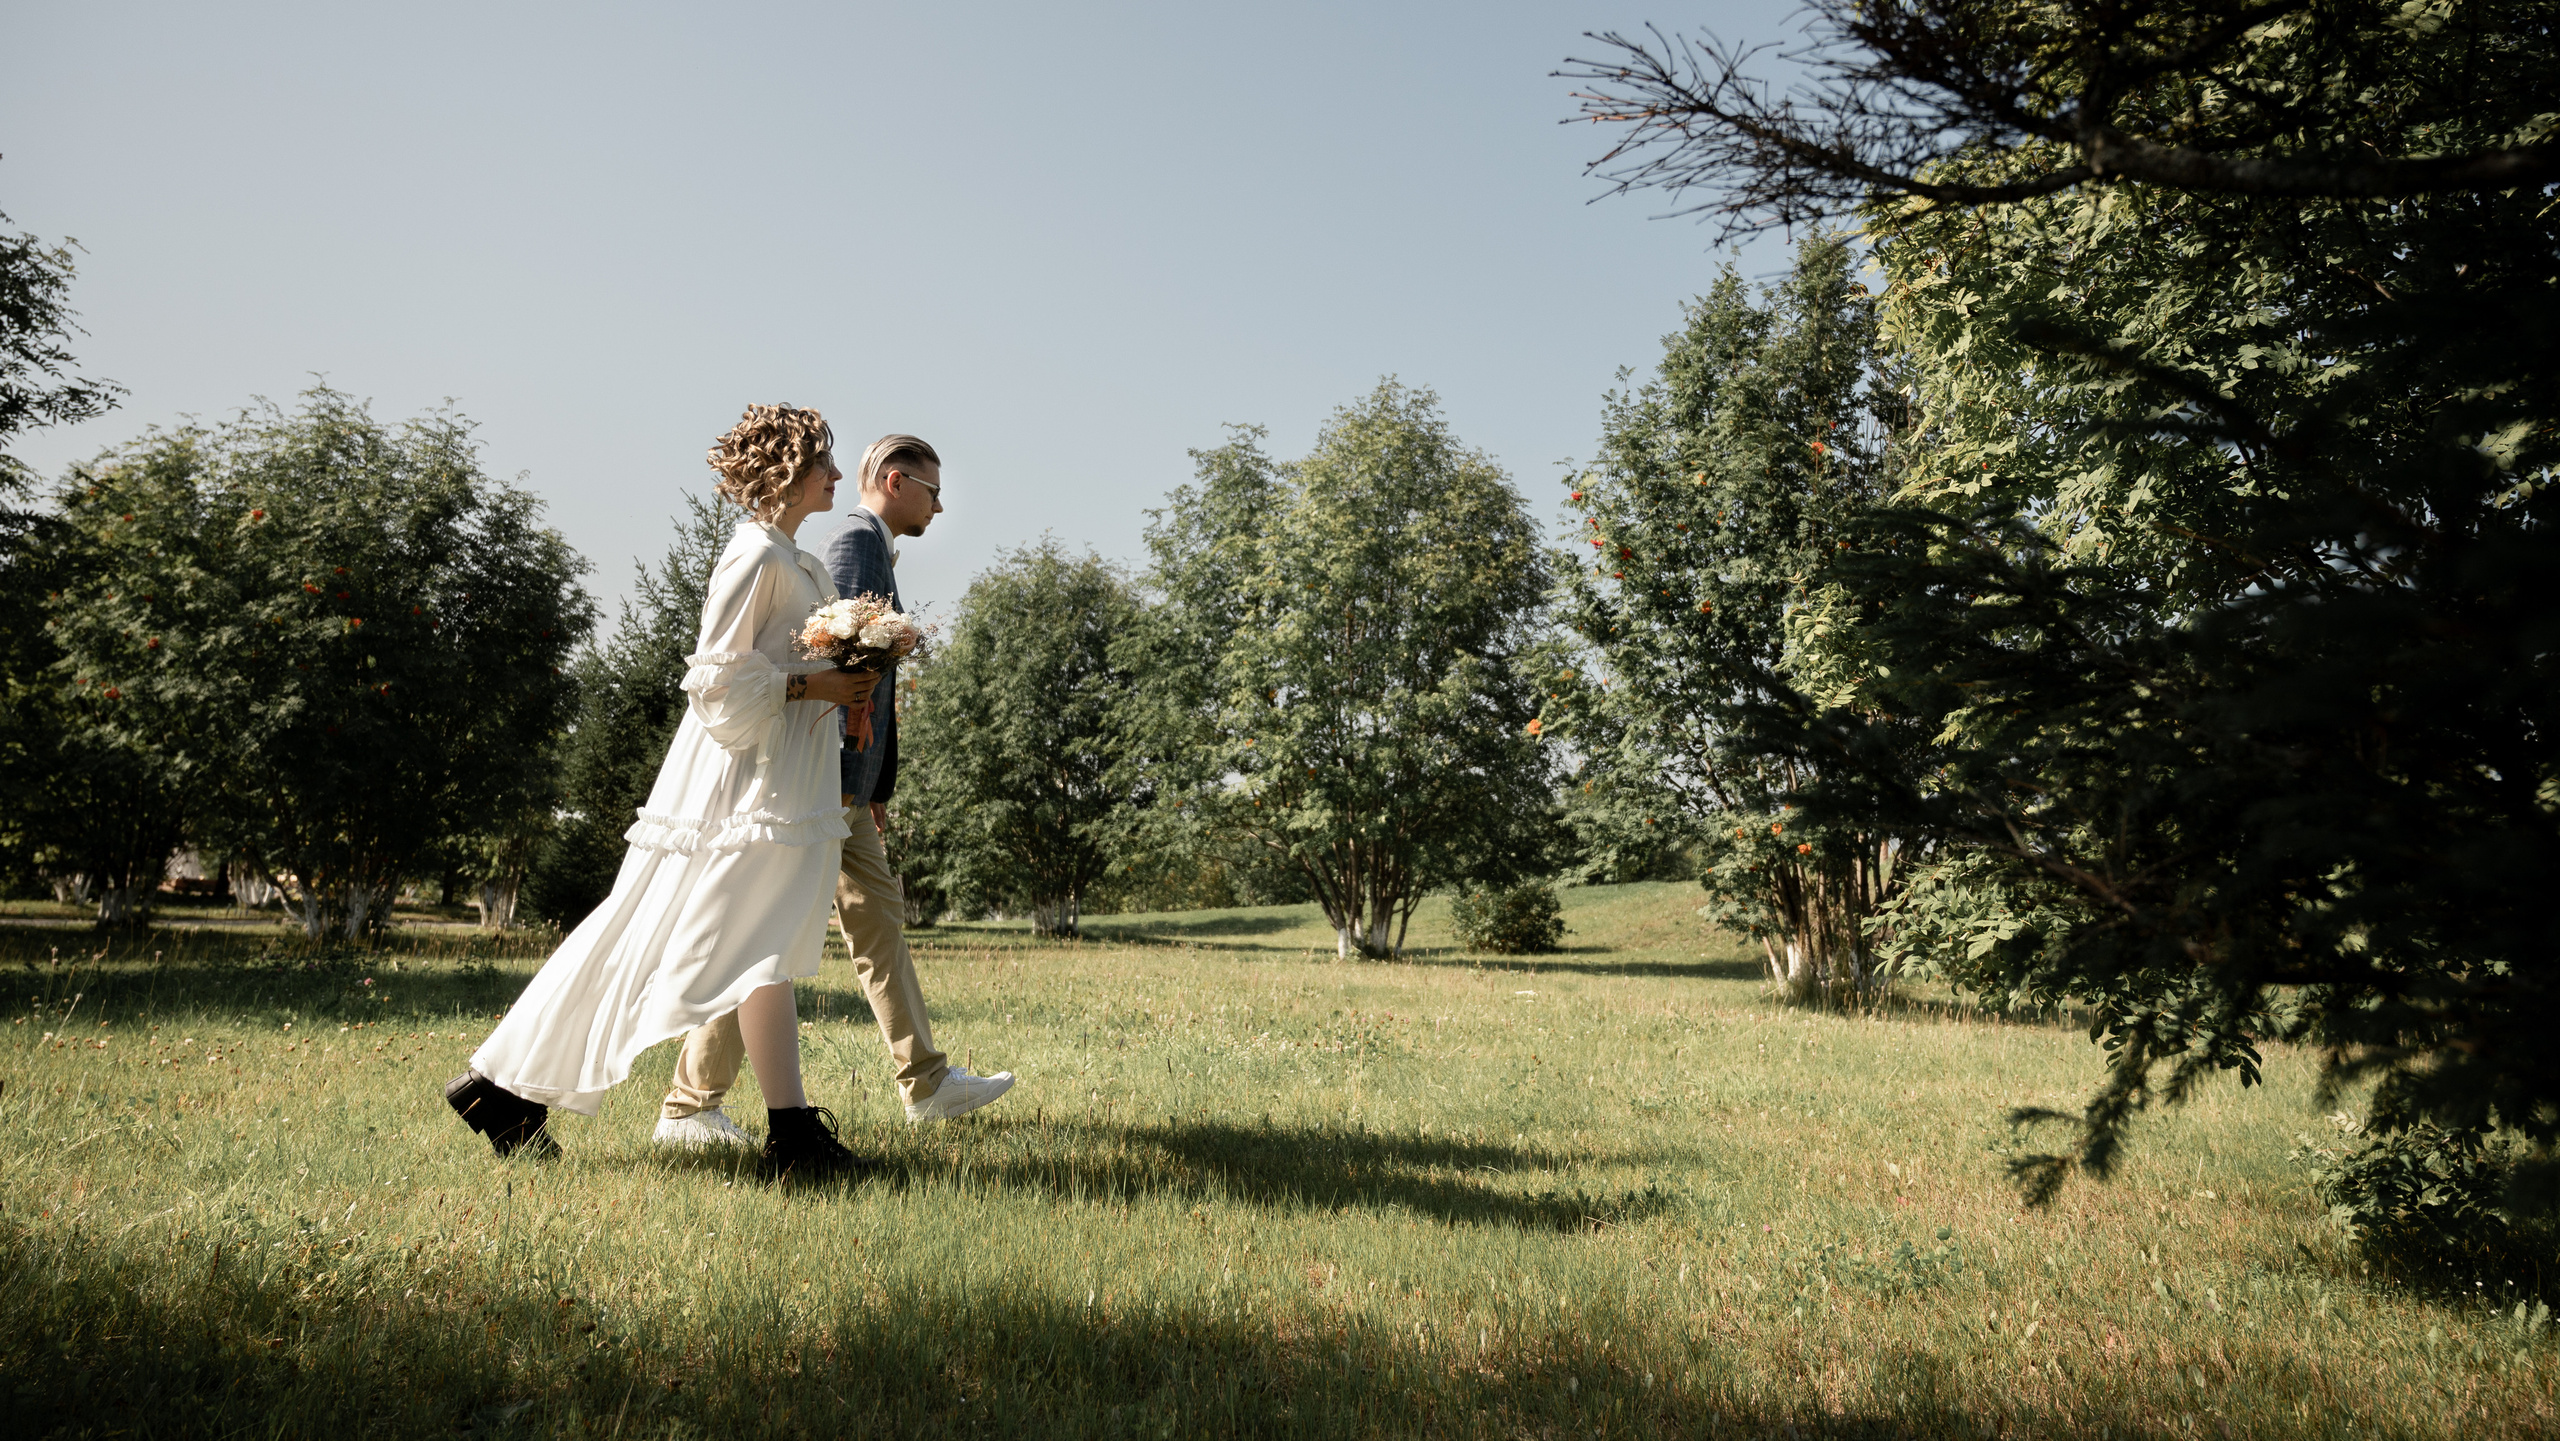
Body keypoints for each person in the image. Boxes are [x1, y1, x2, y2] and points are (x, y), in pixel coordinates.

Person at [444, 404, 876, 1180]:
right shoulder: (754, 556)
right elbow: (716, 679)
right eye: (824, 465)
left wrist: (847, 679)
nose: (836, 478)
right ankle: (496, 1086)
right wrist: (817, 690)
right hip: (737, 786)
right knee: (645, 928)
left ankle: (792, 1134)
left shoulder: (786, 553)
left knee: (762, 946)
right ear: (787, 472)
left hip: (775, 778)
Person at [652, 433, 1015, 1150]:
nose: (940, 507)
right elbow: (837, 660)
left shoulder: (864, 543)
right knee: (764, 930)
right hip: (821, 783)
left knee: (873, 920)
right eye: (933, 492)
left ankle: (926, 1080)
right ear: (894, 479)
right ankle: (688, 1106)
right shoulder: (854, 544)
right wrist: (851, 777)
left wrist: (874, 778)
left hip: (847, 783)